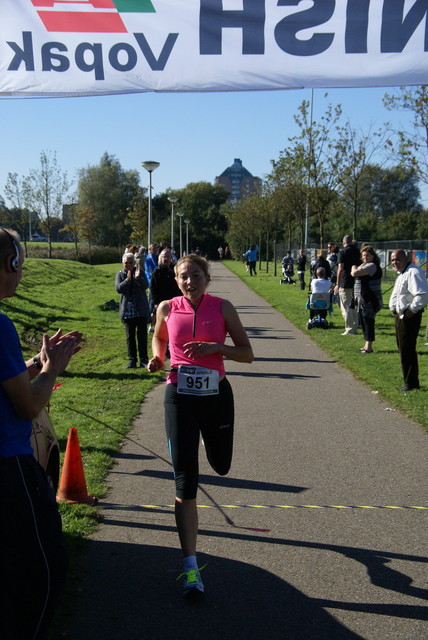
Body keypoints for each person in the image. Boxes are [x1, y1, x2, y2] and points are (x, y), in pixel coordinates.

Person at [147, 254, 253, 597]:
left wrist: (215, 347)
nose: (189, 281)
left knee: (221, 465)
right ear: (176, 280)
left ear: (207, 278)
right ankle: (191, 568)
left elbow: (247, 353)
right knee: (184, 480)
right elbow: (160, 338)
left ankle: (210, 438)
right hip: (178, 393)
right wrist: (157, 357)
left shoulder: (223, 308)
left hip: (216, 394)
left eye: (195, 275)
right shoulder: (166, 307)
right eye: (183, 276)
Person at [0, 228, 83, 640]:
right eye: (19, 264)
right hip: (8, 469)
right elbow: (28, 406)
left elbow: (8, 381)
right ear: (9, 264)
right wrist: (51, 369)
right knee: (43, 568)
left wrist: (35, 362)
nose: (20, 274)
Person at [389, 249, 428, 391]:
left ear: (405, 259)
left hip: (409, 316)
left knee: (407, 349)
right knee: (403, 348)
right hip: (400, 315)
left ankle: (411, 384)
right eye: (392, 260)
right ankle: (408, 381)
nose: (395, 263)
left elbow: (422, 295)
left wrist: (410, 311)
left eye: (397, 260)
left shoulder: (413, 272)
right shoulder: (402, 273)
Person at [115, 252, 150, 368]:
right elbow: (118, 289)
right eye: (126, 262)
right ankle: (132, 360)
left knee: (142, 336)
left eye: (131, 262)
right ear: (123, 263)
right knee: (130, 337)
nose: (128, 265)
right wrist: (127, 281)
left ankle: (144, 359)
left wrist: (138, 278)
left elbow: (146, 285)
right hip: (128, 311)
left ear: (134, 263)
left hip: (140, 310)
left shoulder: (140, 272)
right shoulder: (120, 274)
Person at [351, 245, 383, 353]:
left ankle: (369, 347)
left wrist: (354, 266)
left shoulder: (372, 266)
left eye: (367, 255)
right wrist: (356, 267)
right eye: (363, 255)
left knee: (368, 321)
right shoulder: (364, 265)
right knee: (363, 321)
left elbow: (354, 273)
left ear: (373, 256)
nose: (365, 257)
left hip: (370, 299)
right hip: (362, 299)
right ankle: (366, 345)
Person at [334, 235, 361, 335]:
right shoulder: (358, 252)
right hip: (357, 281)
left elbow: (340, 268)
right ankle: (355, 325)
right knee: (354, 306)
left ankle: (350, 328)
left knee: (346, 306)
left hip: (345, 281)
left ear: (343, 242)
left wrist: (337, 283)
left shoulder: (342, 252)